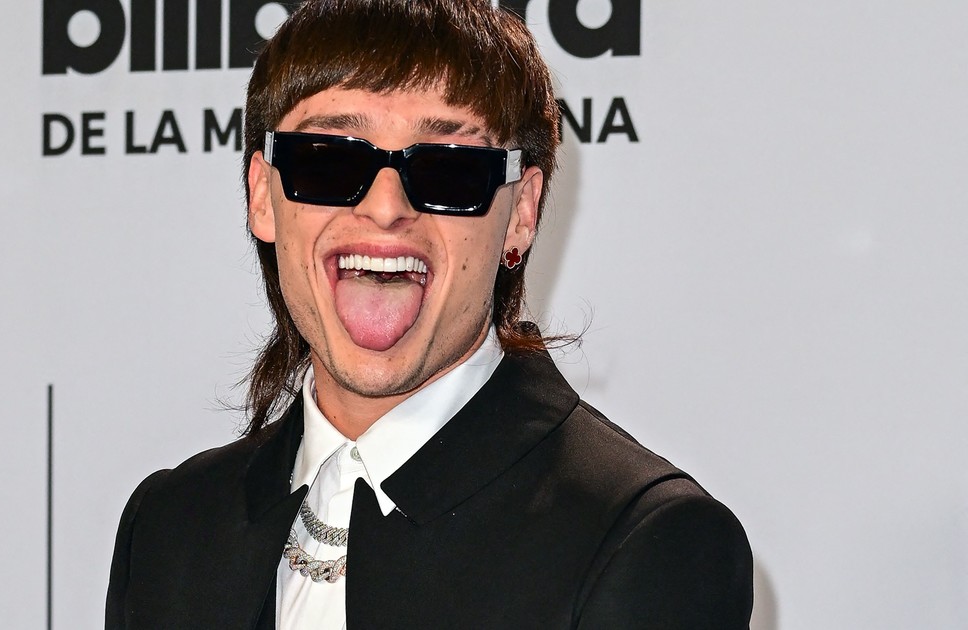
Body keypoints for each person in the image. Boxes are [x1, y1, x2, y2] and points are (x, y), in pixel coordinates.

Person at [105, 0, 754, 627]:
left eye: (447, 170)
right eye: (330, 160)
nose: (386, 207)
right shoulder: (168, 527)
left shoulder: (642, 539)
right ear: (261, 196)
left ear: (521, 213)